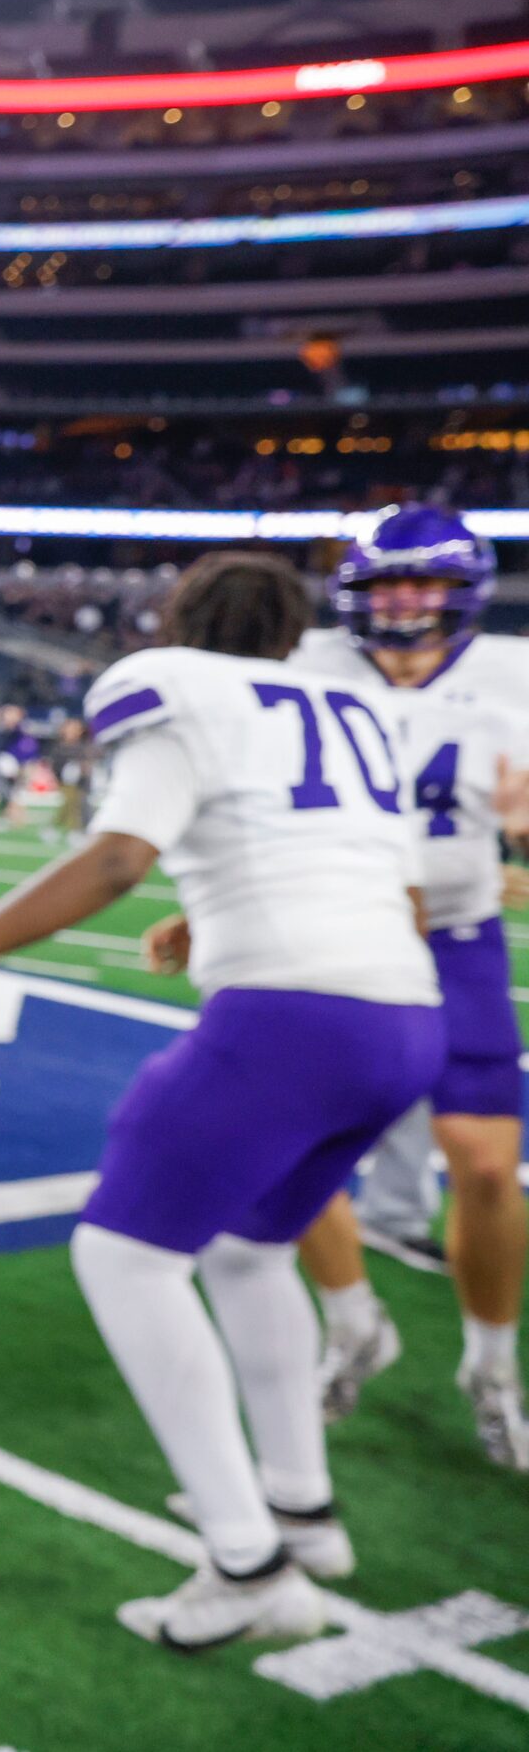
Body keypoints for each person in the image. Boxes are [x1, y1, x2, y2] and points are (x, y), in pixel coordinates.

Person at [0, 550, 443, 1649]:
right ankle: (301, 1509)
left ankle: (245, 1565)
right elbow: (390, 887)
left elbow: (111, 863)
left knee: (124, 1255)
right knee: (243, 1252)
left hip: (290, 1017)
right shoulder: (353, 700)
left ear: (179, 623)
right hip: (402, 1014)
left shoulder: (176, 686)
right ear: (293, 635)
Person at [283, 504, 529, 1468]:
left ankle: (492, 1369)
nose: (403, 603)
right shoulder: (307, 665)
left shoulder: (512, 675)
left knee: (481, 1168)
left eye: (422, 584)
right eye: (386, 584)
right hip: (329, 928)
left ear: (461, 593)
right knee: (294, 1152)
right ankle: (352, 1322)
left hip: (458, 940)